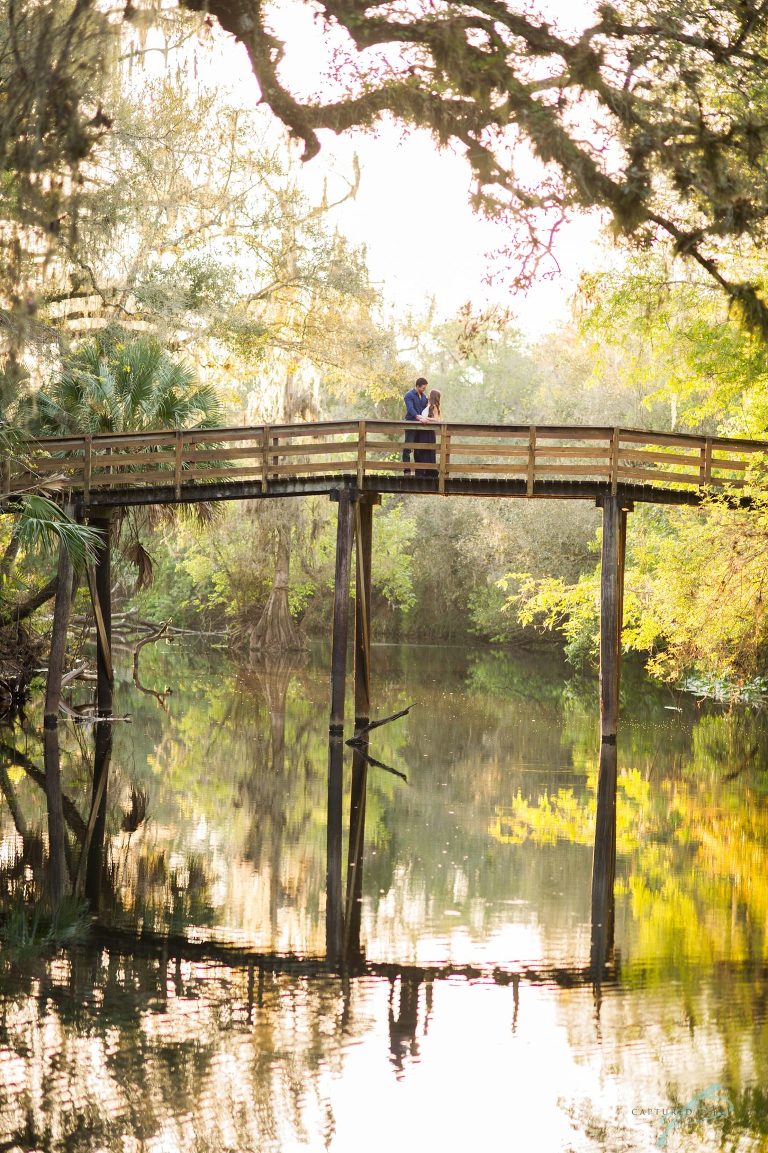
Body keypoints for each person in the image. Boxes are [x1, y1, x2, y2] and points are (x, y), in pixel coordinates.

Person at [402, 376, 429, 473]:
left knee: (419, 448)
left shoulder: (424, 397)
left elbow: (426, 409)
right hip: (411, 424)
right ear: (417, 386)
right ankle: (407, 470)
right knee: (408, 448)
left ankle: (419, 471)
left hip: (421, 426)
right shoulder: (409, 395)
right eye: (423, 388)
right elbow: (410, 409)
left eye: (425, 388)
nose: (424, 390)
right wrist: (419, 417)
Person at [413, 388, 441, 477]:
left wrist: (425, 419)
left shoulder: (434, 406)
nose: (427, 394)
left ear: (432, 396)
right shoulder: (428, 405)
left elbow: (437, 419)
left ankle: (429, 472)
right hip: (423, 431)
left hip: (428, 432)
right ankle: (422, 471)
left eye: (429, 393)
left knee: (427, 451)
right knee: (421, 450)